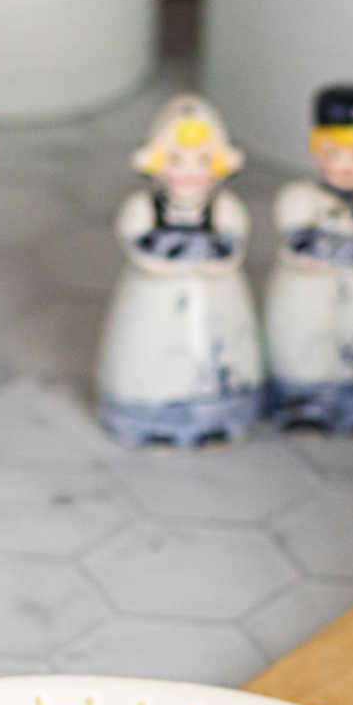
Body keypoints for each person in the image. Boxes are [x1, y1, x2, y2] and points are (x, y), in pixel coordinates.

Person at [97, 94, 263, 448]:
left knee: (216, 356)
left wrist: (182, 260)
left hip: (214, 303)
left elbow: (228, 256)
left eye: (201, 160)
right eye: (176, 159)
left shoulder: (226, 208)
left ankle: (219, 415)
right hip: (152, 304)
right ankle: (144, 414)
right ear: (156, 160)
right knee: (152, 357)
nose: (189, 172)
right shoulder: (141, 208)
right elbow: (141, 252)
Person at [263, 84, 353, 432]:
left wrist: (337, 250)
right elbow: (301, 246)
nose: (346, 167)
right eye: (335, 154)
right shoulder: (298, 198)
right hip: (310, 298)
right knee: (309, 346)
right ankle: (306, 405)